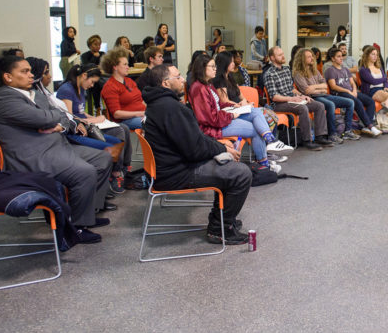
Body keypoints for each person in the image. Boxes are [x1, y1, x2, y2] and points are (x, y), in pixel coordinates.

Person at [0, 55, 112, 240]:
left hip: (55, 146)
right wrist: (53, 118)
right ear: (8, 77)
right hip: (33, 156)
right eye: (24, 71)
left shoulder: (32, 93)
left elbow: (61, 115)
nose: (31, 75)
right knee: (84, 172)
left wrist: (58, 123)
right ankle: (75, 228)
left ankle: (87, 214)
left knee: (103, 158)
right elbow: (46, 118)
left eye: (30, 70)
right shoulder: (4, 98)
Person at [142, 64, 252, 245]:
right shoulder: (170, 108)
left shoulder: (160, 104)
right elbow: (195, 150)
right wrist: (223, 149)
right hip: (176, 173)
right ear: (165, 83)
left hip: (170, 167)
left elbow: (195, 138)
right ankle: (219, 228)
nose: (183, 80)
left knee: (228, 166)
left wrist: (219, 146)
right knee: (240, 173)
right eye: (177, 77)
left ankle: (221, 219)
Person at [188, 55, 292, 173]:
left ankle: (270, 143)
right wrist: (231, 115)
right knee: (256, 129)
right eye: (212, 66)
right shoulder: (199, 88)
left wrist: (234, 106)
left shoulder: (208, 84)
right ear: (202, 68)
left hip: (221, 119)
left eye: (215, 66)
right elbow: (209, 118)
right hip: (214, 127)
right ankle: (265, 162)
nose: (215, 69)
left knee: (256, 111)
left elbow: (218, 105)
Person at [56, 63, 133, 192]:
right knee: (116, 137)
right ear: (84, 76)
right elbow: (70, 118)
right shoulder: (67, 90)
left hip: (86, 125)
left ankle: (121, 168)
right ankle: (114, 174)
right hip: (76, 131)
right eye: (92, 82)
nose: (92, 86)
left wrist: (93, 117)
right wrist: (94, 120)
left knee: (120, 136)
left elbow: (80, 111)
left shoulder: (80, 88)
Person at [264, 46, 331, 150]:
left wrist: (301, 95)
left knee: (319, 105)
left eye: (282, 54)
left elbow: (291, 89)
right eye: (279, 55)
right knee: (303, 108)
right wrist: (291, 99)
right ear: (272, 58)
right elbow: (274, 97)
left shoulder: (286, 69)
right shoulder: (269, 74)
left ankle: (320, 136)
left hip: (292, 100)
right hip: (279, 104)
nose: (283, 56)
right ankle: (307, 140)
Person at [292, 48, 358, 143]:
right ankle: (332, 134)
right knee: (330, 105)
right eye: (309, 57)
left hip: (323, 95)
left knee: (350, 102)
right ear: (302, 59)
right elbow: (307, 91)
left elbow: (325, 85)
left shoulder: (314, 71)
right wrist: (319, 88)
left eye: (312, 56)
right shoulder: (298, 74)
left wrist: (315, 87)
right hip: (313, 98)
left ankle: (347, 131)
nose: (312, 59)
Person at [325, 47, 382, 137]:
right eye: (338, 56)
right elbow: (333, 86)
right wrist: (348, 91)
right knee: (357, 102)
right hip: (339, 93)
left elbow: (352, 83)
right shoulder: (330, 70)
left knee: (370, 101)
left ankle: (367, 125)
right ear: (333, 59)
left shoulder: (345, 69)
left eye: (342, 56)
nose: (341, 58)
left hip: (351, 92)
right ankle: (370, 126)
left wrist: (354, 90)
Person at [100, 48, 145, 130]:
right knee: (155, 124)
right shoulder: (110, 87)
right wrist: (139, 113)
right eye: (125, 64)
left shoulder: (129, 81)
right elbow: (116, 114)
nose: (128, 67)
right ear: (115, 67)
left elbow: (141, 101)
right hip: (126, 120)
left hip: (141, 115)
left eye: (127, 64)